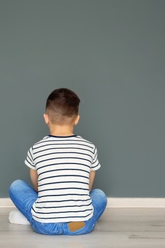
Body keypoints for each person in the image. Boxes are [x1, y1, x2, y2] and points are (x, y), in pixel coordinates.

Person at [9, 88, 107, 235]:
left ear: (46, 118)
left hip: (45, 225)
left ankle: (30, 217)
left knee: (16, 186)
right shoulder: (90, 148)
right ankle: (74, 218)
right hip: (79, 226)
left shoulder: (35, 149)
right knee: (99, 195)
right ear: (77, 119)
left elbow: (37, 188)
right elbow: (88, 188)